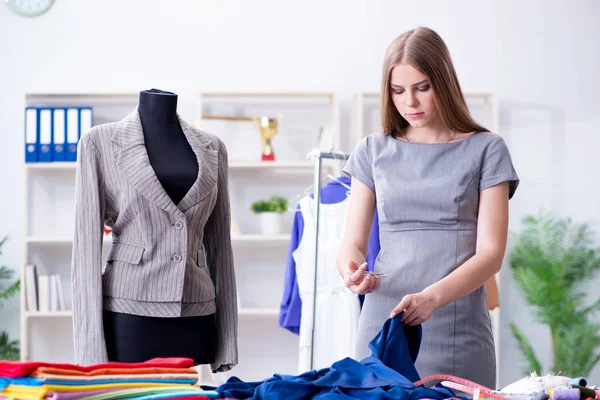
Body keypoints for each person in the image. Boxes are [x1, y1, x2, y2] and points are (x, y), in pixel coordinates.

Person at [337, 27, 519, 388]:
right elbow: (351, 244)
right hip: (384, 323)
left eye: (422, 88)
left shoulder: (487, 149)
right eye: (398, 91)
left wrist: (432, 298)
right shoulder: (372, 150)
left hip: (457, 328)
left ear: (444, 82)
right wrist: (351, 272)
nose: (410, 103)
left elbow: (491, 254)